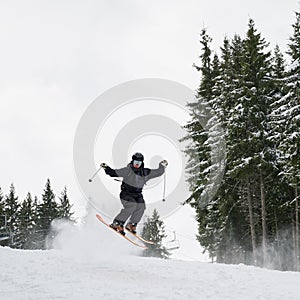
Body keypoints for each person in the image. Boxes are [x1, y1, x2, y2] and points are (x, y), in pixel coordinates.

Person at [100, 152, 168, 235]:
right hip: (126, 194)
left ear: (142, 163)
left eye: (139, 163)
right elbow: (114, 173)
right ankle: (117, 223)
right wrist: (106, 168)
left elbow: (158, 172)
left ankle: (131, 224)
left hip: (138, 195)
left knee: (141, 206)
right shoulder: (127, 170)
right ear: (132, 161)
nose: (137, 164)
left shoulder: (145, 172)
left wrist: (162, 166)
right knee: (132, 205)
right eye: (135, 162)